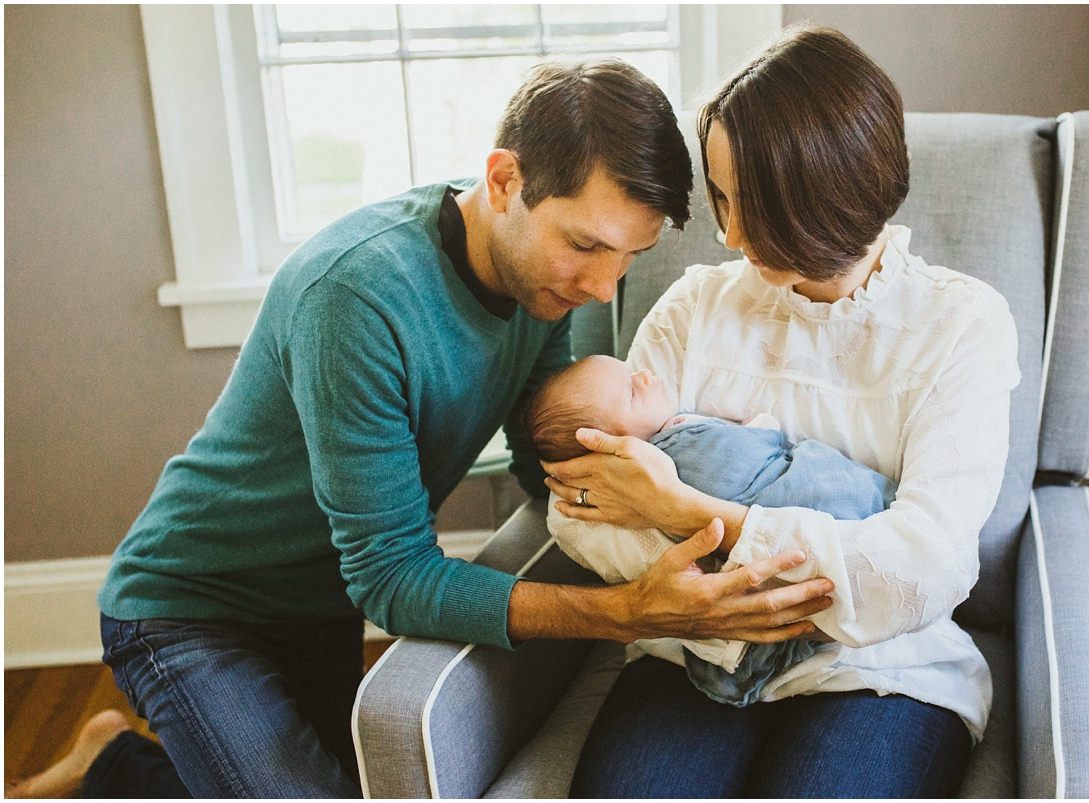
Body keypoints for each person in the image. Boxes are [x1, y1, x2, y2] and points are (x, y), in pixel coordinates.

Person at [75, 59, 835, 798]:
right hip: (193, 607)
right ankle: (110, 753)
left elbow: (557, 472)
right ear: (503, 180)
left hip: (318, 606)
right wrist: (625, 610)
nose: (601, 288)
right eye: (585, 245)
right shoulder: (356, 298)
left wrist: (701, 480)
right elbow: (392, 577)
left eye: (629, 258)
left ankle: (110, 762)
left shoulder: (539, 289)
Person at [542, 26, 1021, 798]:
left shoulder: (961, 326)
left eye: (751, 205)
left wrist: (686, 511)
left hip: (880, 664)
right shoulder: (695, 306)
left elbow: (927, 560)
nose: (729, 236)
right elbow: (580, 507)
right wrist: (698, 598)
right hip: (695, 649)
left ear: (828, 190)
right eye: (722, 199)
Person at [524, 353, 897, 706]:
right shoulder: (679, 454)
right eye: (632, 391)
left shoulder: (674, 430)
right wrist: (757, 431)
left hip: (856, 610)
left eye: (632, 370)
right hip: (825, 539)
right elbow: (744, 462)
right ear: (604, 446)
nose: (646, 375)